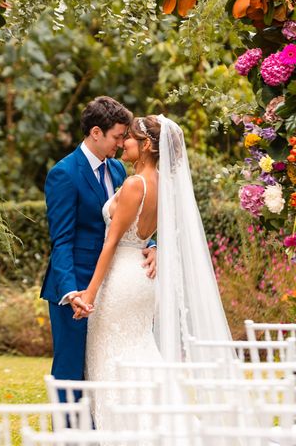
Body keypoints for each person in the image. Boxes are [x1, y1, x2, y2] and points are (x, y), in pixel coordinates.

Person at [73, 115, 232, 430]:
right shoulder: (162, 183)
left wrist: (89, 294)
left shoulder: (135, 184)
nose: (122, 144)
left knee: (111, 359)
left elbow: (111, 243)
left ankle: (127, 430)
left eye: (129, 138)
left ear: (146, 145)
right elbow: (158, 232)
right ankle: (162, 425)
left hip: (121, 280)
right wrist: (155, 247)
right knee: (139, 353)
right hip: (143, 280)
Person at [40, 97, 157, 389]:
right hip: (77, 285)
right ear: (96, 132)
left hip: (113, 285)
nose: (121, 143)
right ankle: (68, 435)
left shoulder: (118, 170)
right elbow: (62, 240)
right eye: (117, 136)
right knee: (71, 370)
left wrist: (152, 245)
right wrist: (70, 292)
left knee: (102, 367)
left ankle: (96, 434)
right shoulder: (64, 174)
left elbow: (132, 220)